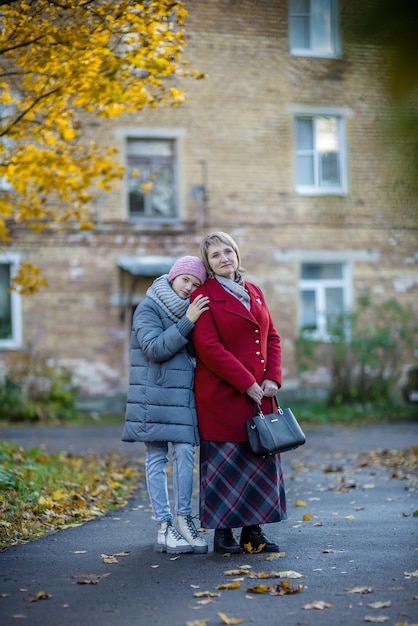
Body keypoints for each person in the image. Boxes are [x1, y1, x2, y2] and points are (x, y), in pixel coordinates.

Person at [190, 232, 286, 554]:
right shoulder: (203, 296)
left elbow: (272, 337)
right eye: (215, 255)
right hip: (223, 396)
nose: (223, 258)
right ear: (209, 264)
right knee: (225, 465)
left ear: (237, 254)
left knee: (258, 462)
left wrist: (272, 377)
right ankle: (222, 535)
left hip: (261, 396)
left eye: (227, 251)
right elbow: (208, 347)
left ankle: (252, 534)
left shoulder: (255, 291)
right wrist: (247, 382)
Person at [122, 255, 210, 555]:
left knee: (186, 453)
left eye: (196, 284)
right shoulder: (148, 307)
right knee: (157, 458)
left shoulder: (190, 309)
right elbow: (155, 348)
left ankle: (184, 520)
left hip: (182, 396)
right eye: (186, 280)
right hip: (153, 395)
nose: (189, 288)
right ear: (173, 276)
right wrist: (189, 321)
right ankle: (164, 525)